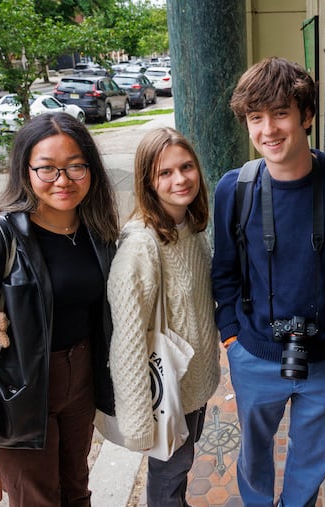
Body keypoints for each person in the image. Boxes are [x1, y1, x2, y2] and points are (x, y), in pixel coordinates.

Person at [0, 113, 119, 507]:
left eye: (75, 167)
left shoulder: (95, 229)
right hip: (18, 394)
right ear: (25, 170)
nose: (63, 180)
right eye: (47, 169)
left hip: (79, 382)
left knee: (77, 492)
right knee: (38, 500)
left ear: (91, 169)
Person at [211, 56, 325, 506]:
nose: (268, 130)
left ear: (307, 116)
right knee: (253, 454)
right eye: (255, 118)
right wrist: (231, 338)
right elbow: (223, 271)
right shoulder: (233, 189)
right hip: (254, 354)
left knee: (312, 462)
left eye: (280, 113)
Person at [107, 126, 221, 506]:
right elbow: (126, 341)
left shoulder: (189, 225)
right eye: (165, 173)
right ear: (148, 182)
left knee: (179, 472)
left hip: (193, 387)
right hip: (167, 396)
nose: (180, 179)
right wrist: (139, 422)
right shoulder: (141, 245)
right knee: (168, 478)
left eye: (186, 167)